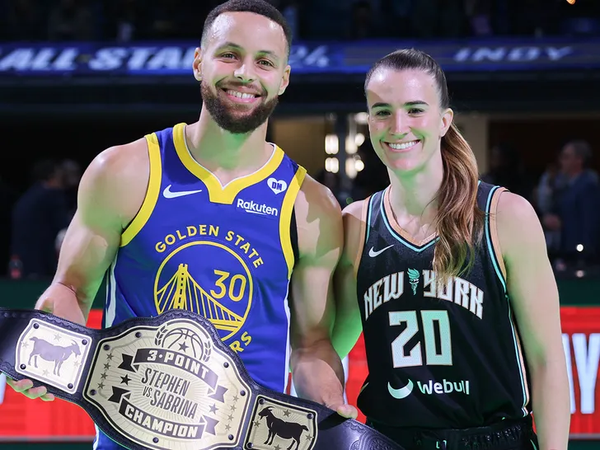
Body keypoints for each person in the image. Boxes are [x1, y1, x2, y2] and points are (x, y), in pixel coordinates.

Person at [7, 0, 356, 448]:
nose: (245, 73)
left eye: (264, 62)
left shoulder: (311, 206)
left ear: (283, 79)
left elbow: (310, 346)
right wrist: (50, 334)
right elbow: (73, 288)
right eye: (229, 54)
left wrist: (330, 409)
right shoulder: (126, 171)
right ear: (198, 62)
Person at [332, 49, 569, 450]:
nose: (398, 125)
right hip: (391, 439)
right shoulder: (356, 224)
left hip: (493, 438)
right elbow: (327, 348)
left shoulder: (503, 216)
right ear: (369, 122)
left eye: (414, 109)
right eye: (382, 111)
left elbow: (546, 362)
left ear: (444, 121)